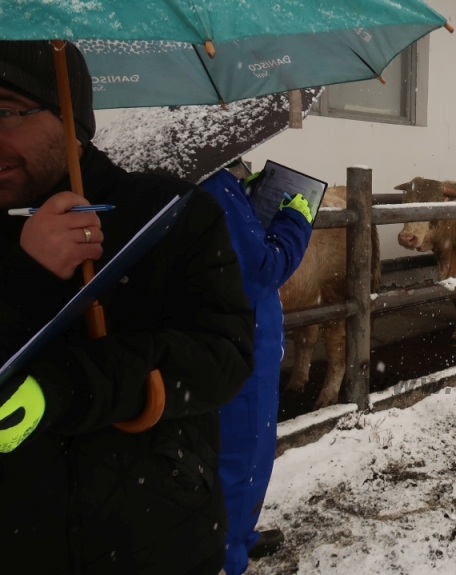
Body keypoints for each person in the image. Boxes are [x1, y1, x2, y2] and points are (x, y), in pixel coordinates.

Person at [0, 40, 254, 574]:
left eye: (4, 112)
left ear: (71, 117)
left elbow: (223, 359)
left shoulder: (170, 213)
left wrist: (79, 384)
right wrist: (25, 276)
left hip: (162, 540)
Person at [199, 162, 312, 573]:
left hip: (225, 336)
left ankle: (238, 534)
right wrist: (295, 218)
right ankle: (227, 556)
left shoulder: (210, 183)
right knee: (242, 450)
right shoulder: (212, 185)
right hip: (240, 338)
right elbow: (264, 266)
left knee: (235, 449)